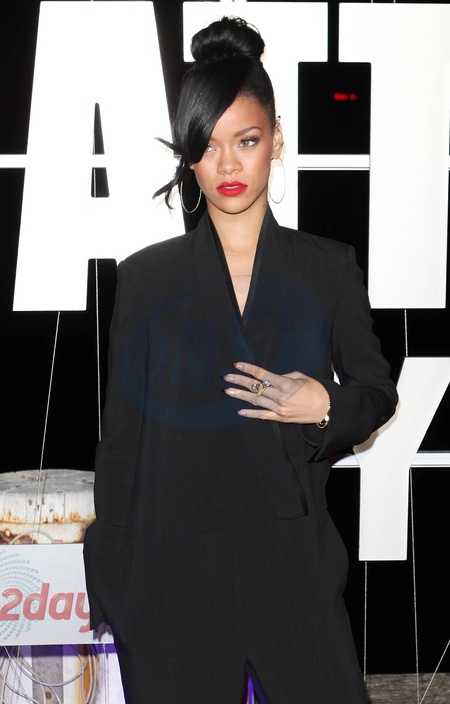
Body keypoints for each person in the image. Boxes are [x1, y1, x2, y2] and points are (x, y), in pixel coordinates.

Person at [83, 16, 398, 704]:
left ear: (276, 139)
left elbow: (376, 392)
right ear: (189, 156)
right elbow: (122, 444)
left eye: (247, 141)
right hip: (171, 583)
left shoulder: (328, 268)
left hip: (294, 573)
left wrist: (324, 405)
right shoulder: (147, 279)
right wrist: (116, 581)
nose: (228, 166)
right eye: (208, 145)